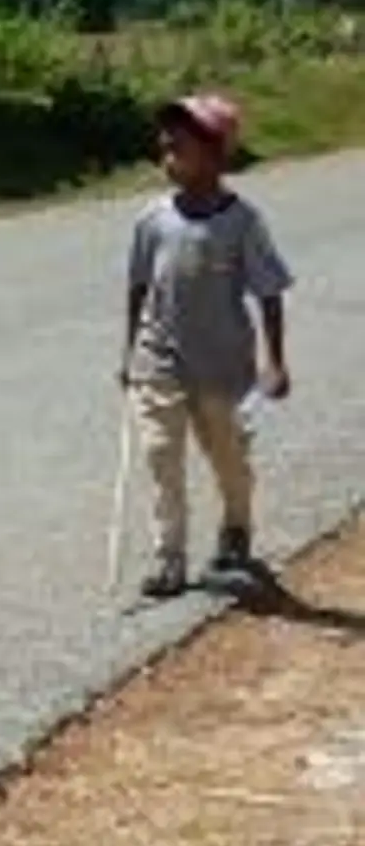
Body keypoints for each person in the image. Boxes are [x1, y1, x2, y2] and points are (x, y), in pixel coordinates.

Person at [120, 92, 293, 600]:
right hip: (160, 360)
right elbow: (136, 287)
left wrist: (276, 362)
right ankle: (168, 558)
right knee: (160, 458)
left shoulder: (241, 222)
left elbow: (269, 291)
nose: (167, 151)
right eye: (165, 145)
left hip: (223, 369)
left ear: (217, 155)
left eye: (181, 145)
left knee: (230, 461)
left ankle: (235, 533)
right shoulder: (151, 220)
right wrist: (129, 355)